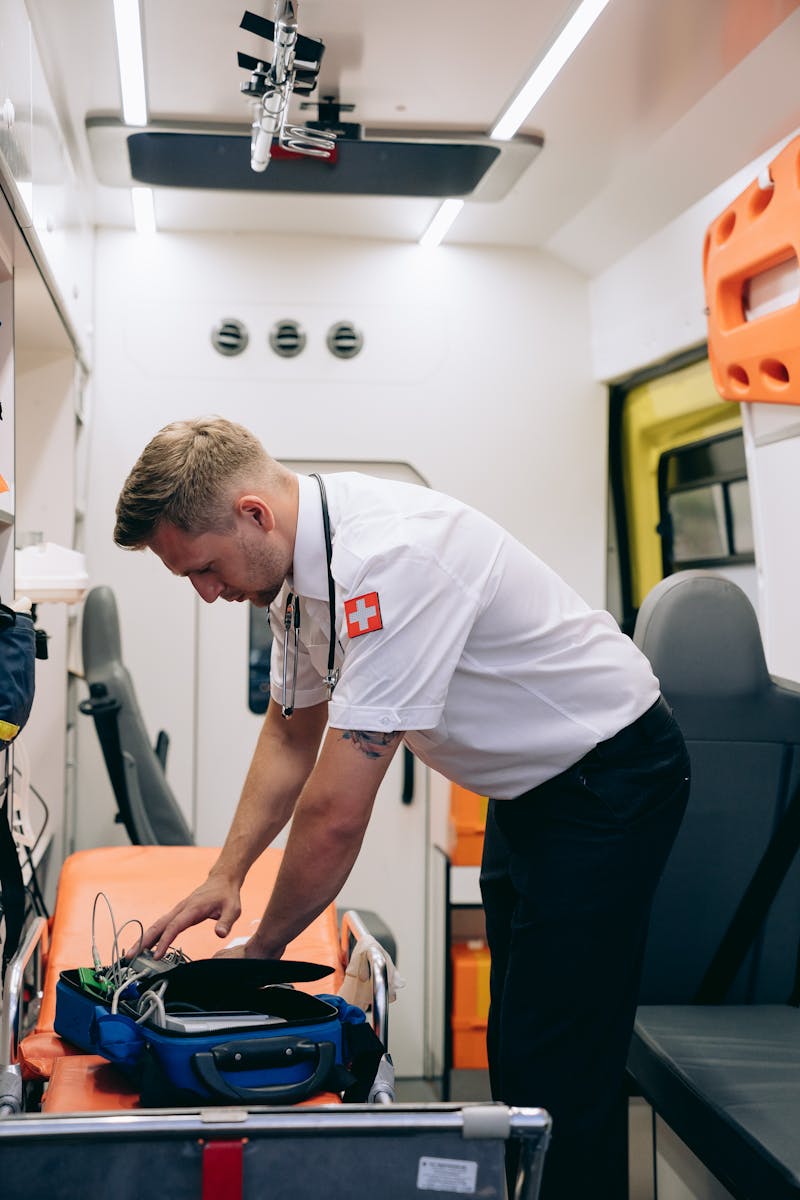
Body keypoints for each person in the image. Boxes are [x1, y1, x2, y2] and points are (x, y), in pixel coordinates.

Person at [114, 415, 689, 1200]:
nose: (209, 594)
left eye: (205, 569)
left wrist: (263, 954)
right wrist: (227, 875)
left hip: (612, 776)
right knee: (521, 1047)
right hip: (531, 787)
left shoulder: (392, 557)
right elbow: (289, 734)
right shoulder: (294, 580)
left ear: (254, 514)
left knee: (559, 1055)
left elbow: (336, 811)